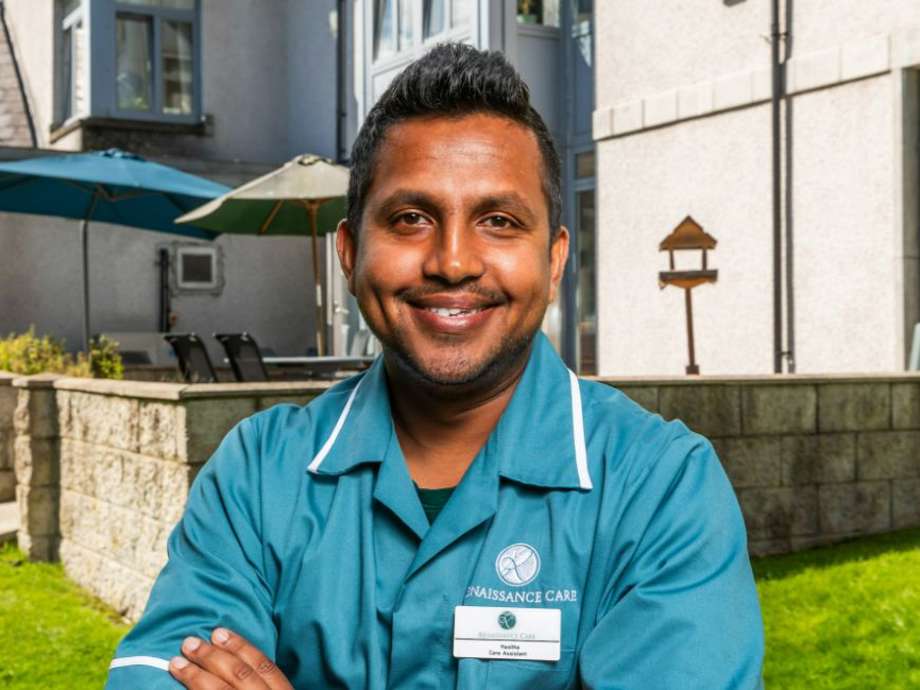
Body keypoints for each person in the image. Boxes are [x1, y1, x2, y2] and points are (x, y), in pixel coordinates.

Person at [105, 43, 764, 690]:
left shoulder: (660, 489)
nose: (453, 261)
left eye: (500, 221)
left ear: (555, 260)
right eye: (411, 217)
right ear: (350, 250)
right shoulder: (257, 477)